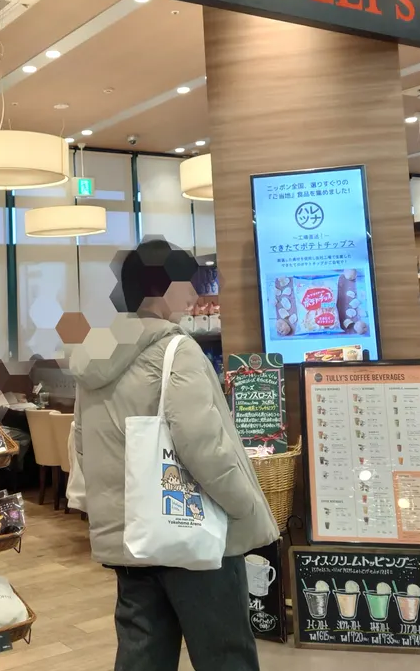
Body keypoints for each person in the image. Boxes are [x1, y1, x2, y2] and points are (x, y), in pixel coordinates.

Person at [69, 240, 278, 671]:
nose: (194, 295)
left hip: (131, 538)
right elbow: (204, 448)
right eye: (187, 283)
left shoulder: (94, 356)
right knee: (225, 655)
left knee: (142, 654)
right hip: (194, 536)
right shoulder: (176, 350)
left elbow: (85, 445)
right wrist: (244, 507)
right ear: (160, 287)